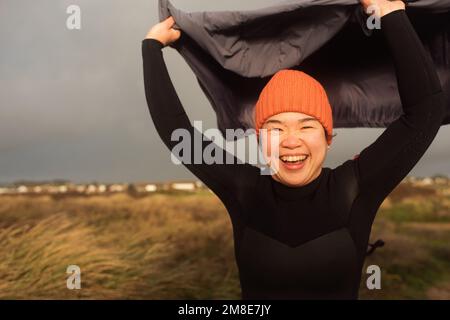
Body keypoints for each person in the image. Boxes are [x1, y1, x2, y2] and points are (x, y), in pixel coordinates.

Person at [141, 0, 446, 299]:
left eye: (306, 126)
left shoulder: (355, 187)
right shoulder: (245, 190)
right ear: (260, 138)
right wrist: (152, 47)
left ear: (328, 137)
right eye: (275, 127)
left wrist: (391, 14)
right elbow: (179, 135)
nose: (290, 140)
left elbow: (425, 112)